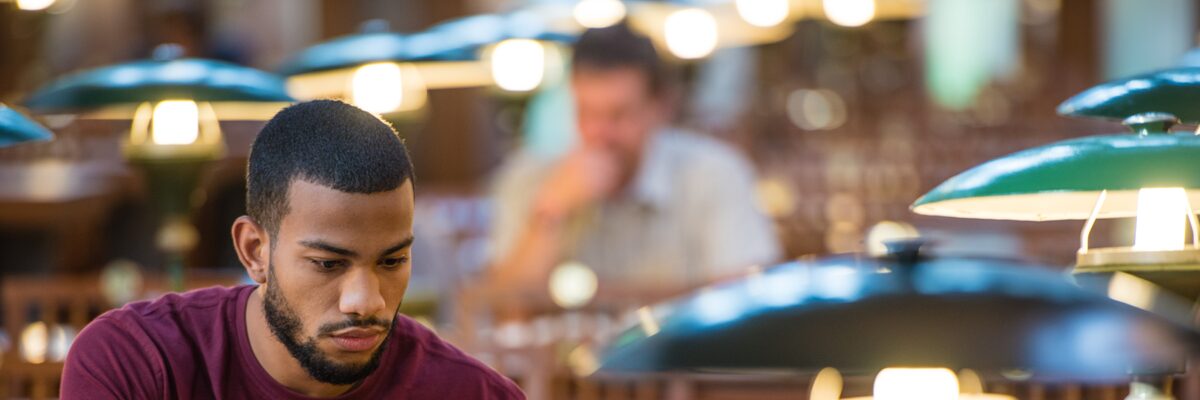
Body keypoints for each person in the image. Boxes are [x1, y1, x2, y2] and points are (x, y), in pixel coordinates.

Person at [61, 100, 524, 399]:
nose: (365, 301)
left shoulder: (472, 393)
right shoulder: (136, 363)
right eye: (328, 263)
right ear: (254, 251)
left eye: (392, 261)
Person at [489, 24, 781, 303]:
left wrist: (604, 299)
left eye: (618, 115)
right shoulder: (530, 179)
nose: (600, 133)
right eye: (586, 113)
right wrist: (550, 214)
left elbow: (744, 300)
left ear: (661, 107)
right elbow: (501, 306)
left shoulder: (716, 173)